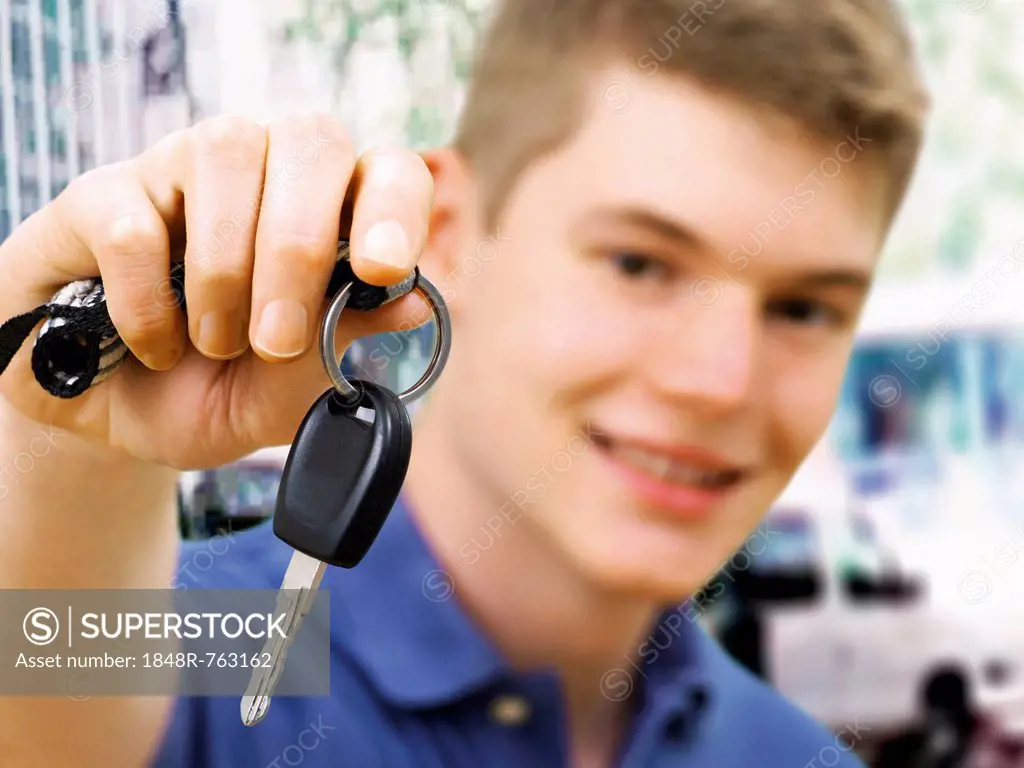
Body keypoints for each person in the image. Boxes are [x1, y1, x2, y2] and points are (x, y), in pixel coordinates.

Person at [0, 0, 929, 764]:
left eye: (806, 309)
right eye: (640, 264)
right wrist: (68, 445)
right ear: (443, 230)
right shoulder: (188, 643)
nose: (722, 381)